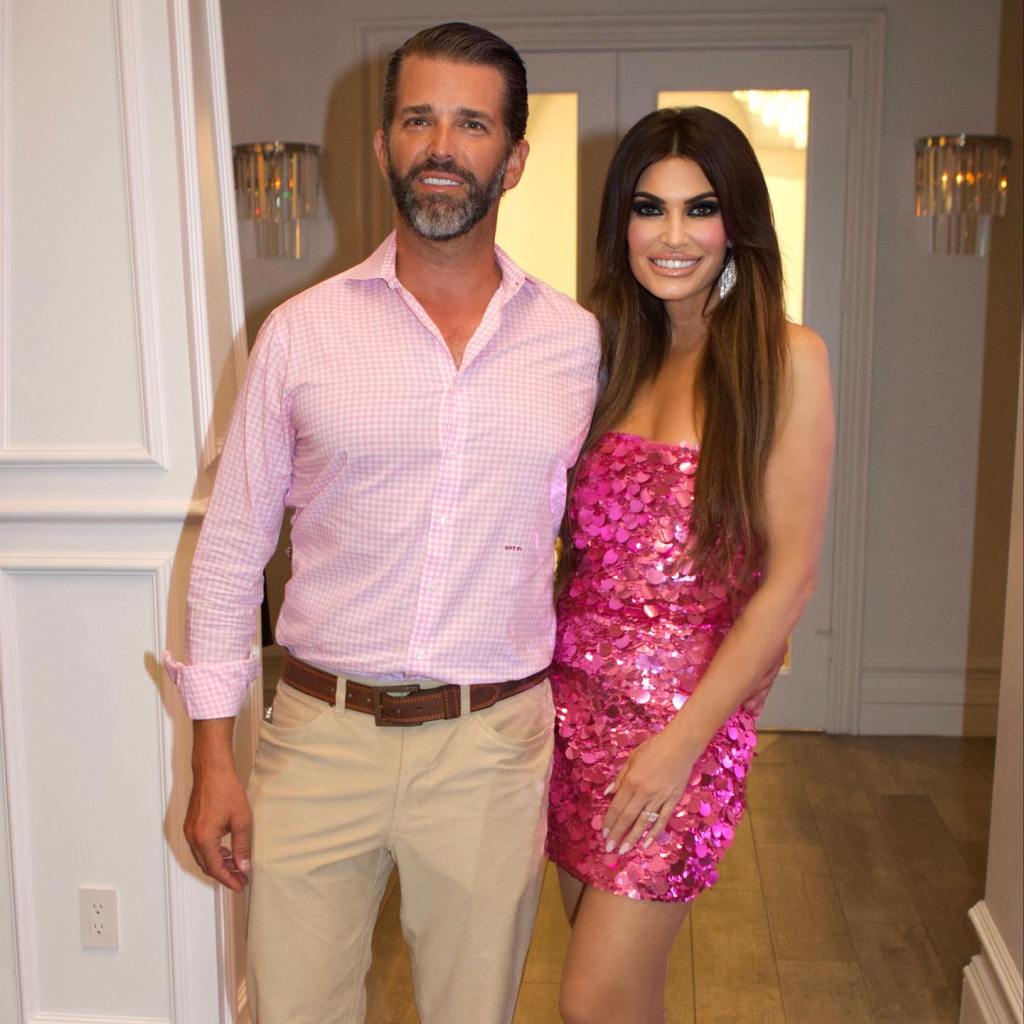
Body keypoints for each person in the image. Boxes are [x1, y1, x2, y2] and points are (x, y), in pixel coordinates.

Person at [162, 22, 599, 1024]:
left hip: (491, 745)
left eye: (473, 123)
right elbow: (230, 556)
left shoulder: (575, 346)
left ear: (514, 157)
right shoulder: (301, 332)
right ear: (383, 145)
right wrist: (214, 756)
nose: (442, 145)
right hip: (318, 737)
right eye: (418, 118)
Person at [545, 106, 834, 1024]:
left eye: (698, 209)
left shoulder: (786, 359)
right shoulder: (606, 352)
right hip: (569, 713)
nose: (672, 235)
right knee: (626, 1000)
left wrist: (679, 749)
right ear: (619, 224)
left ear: (735, 221)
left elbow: (788, 580)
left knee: (591, 1001)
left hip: (686, 727)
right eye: (648, 208)